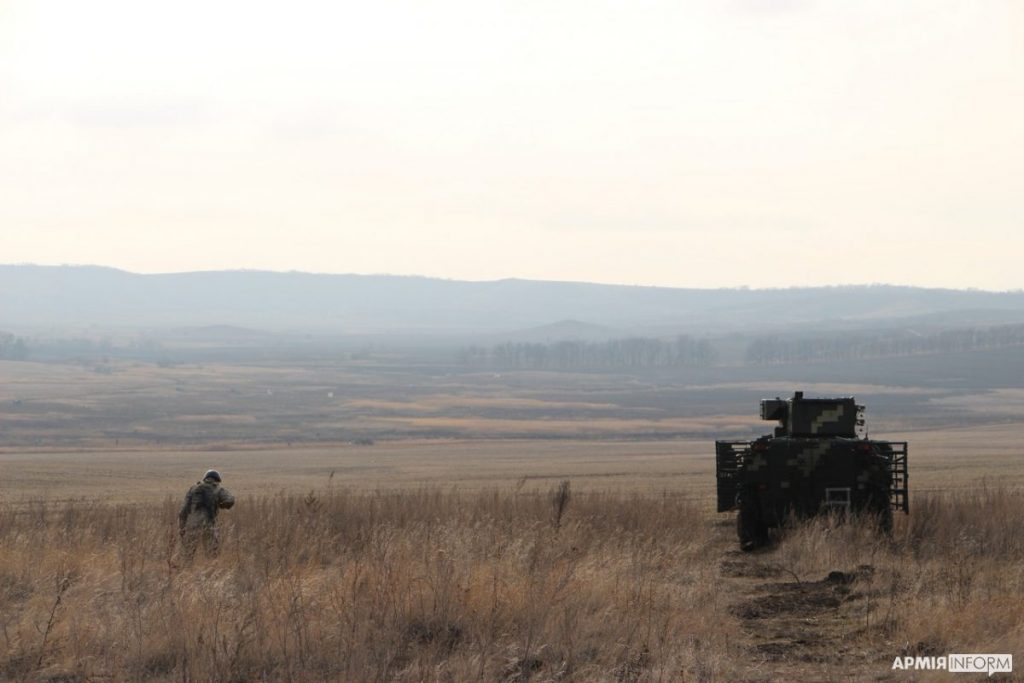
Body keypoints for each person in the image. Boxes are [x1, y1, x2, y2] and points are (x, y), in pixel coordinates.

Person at [178, 469, 235, 560]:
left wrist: (182, 527)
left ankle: (186, 572)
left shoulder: (193, 489)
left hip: (192, 525)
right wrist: (221, 505)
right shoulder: (218, 489)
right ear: (217, 480)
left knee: (187, 555)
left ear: (205, 478)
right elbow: (230, 500)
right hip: (209, 525)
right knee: (211, 554)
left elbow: (183, 511)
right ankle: (210, 572)